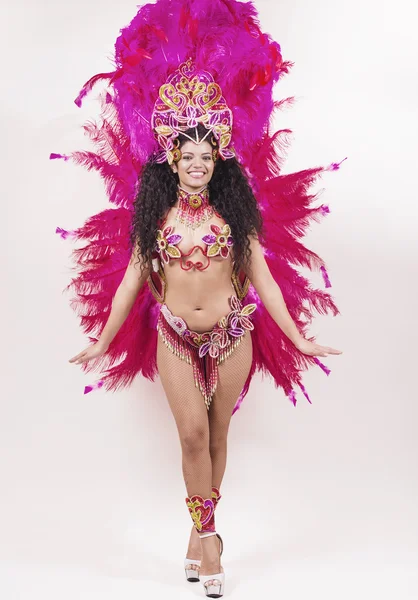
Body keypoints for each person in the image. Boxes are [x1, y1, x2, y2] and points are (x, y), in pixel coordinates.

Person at [56, 3, 343, 597]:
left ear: (217, 162)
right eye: (186, 157)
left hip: (233, 333)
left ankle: (197, 536)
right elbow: (133, 282)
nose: (195, 166)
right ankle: (210, 540)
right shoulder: (154, 215)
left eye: (205, 158)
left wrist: (299, 337)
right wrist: (102, 341)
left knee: (217, 435)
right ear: (171, 159)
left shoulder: (236, 215)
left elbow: (262, 280)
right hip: (174, 336)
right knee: (189, 436)